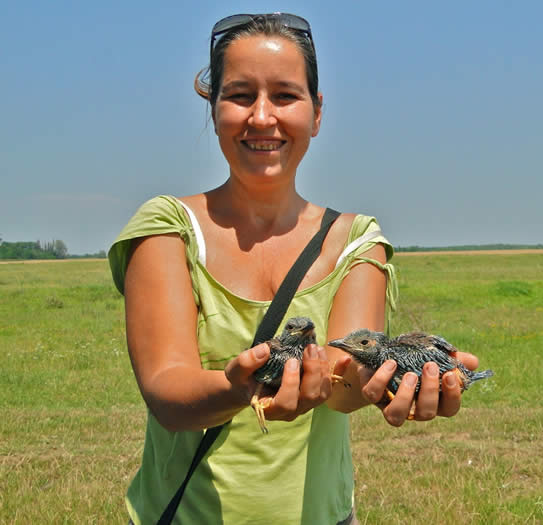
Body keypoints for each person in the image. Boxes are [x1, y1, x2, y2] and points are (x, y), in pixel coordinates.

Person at [108, 12, 481, 525]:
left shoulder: (357, 240)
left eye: (285, 96)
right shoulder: (167, 227)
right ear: (213, 108)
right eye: (240, 95)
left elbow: (347, 373)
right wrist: (239, 386)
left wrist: (390, 380)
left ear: (317, 112)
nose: (262, 117)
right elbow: (169, 393)